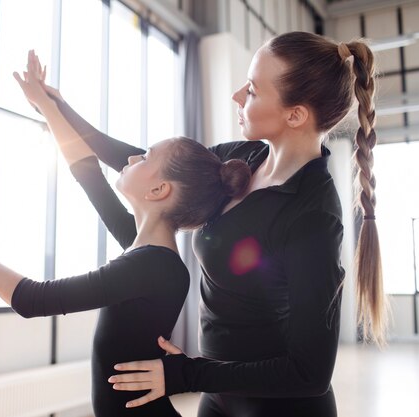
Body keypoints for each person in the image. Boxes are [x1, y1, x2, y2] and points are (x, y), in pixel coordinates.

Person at [40, 31, 388, 416]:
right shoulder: (241, 158)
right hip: (216, 397)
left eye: (253, 90)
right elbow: (147, 166)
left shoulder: (313, 214)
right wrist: (58, 108)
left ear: (295, 114)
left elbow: (310, 373)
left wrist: (186, 375)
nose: (237, 95)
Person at [0, 50, 251, 416]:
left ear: (159, 191)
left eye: (146, 156)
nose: (132, 158)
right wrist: (47, 106)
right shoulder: (143, 251)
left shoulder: (153, 266)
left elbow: (33, 299)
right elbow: (86, 170)